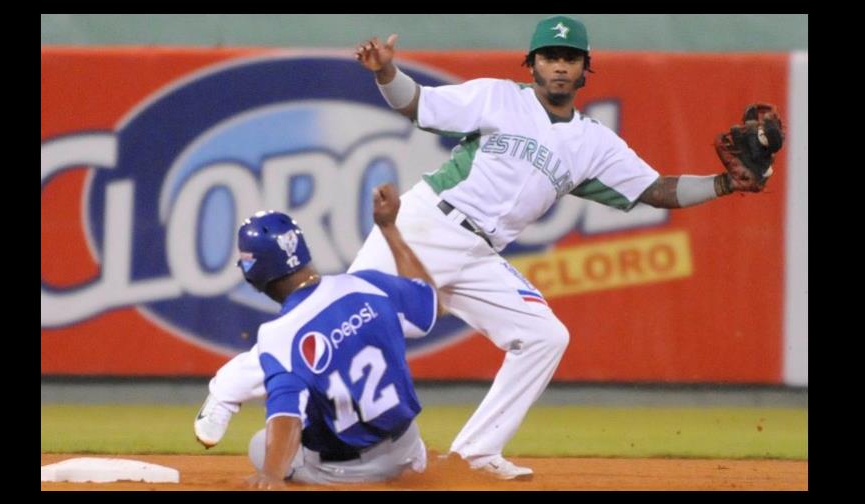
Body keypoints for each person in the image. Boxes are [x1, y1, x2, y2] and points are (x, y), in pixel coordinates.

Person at [197, 15, 776, 481]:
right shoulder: (499, 98)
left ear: (584, 71)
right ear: (533, 64)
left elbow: (657, 190)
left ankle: (474, 454)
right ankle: (227, 391)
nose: (558, 65)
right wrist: (386, 71)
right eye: (548, 55)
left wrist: (726, 184)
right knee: (346, 321)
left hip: (481, 253)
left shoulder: (595, 143)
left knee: (546, 335)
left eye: (569, 58)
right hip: (429, 223)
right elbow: (417, 105)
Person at [230, 184, 440, 488]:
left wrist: (272, 476)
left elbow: (287, 416)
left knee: (260, 446)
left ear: (253, 274)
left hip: (346, 474)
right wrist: (389, 228)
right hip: (408, 452)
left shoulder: (279, 334)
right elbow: (430, 301)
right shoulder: (366, 284)